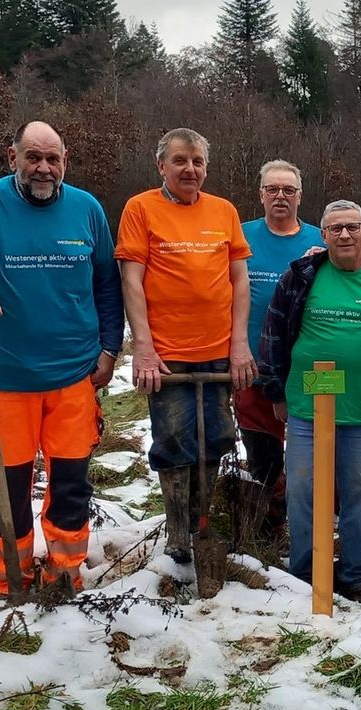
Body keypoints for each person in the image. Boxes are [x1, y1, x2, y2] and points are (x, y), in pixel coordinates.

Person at [0, 120, 124, 597]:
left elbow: (106, 283)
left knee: (72, 482)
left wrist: (109, 348)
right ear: (12, 157)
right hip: (6, 377)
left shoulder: (86, 209)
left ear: (65, 162)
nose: (43, 168)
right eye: (33, 157)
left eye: (52, 159)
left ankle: (64, 573)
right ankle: (9, 579)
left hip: (74, 375)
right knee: (9, 485)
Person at [260, 200, 361, 603]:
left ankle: (354, 572)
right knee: (301, 488)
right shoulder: (301, 278)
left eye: (352, 227)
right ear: (324, 236)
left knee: (354, 492)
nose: (344, 235)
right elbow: (275, 332)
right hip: (305, 407)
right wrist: (276, 390)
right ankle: (302, 572)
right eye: (335, 229)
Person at [115, 128, 255, 587]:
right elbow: (132, 280)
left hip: (218, 352)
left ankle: (203, 524)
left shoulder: (224, 211)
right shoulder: (140, 209)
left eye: (197, 161)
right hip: (168, 357)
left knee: (214, 438)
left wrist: (239, 345)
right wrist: (144, 347)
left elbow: (239, 280)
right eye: (179, 160)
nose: (189, 169)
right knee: (174, 441)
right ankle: (177, 533)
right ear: (162, 166)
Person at [235, 160, 323, 538]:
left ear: (300, 196)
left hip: (312, 370)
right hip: (253, 366)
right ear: (261, 194)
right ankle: (269, 529)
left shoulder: (322, 240)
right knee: (264, 454)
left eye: (289, 190)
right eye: (273, 189)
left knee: (316, 453)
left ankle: (315, 528)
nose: (280, 196)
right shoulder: (240, 236)